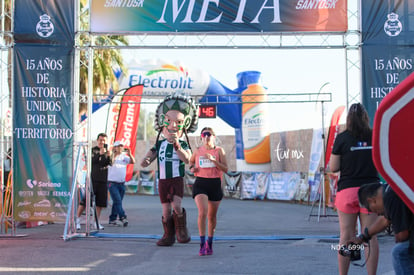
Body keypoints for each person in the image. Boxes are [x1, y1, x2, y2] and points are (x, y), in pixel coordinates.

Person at [141, 93, 198, 246]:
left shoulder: (183, 144)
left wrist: (177, 145)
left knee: (177, 205)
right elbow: (148, 158)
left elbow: (187, 159)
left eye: (178, 122)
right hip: (163, 181)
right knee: (166, 211)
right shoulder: (159, 144)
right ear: (162, 123)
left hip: (176, 179)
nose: (173, 126)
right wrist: (146, 160)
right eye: (169, 121)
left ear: (184, 124)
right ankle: (168, 235)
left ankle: (182, 229)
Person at [329, 103, 380, 275]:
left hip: (347, 192)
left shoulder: (342, 138)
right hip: (371, 192)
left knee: (345, 234)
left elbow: (334, 167)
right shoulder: (375, 135)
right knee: (369, 236)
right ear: (366, 117)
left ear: (348, 120)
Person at [352, 183, 414, 275]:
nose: (376, 214)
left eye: (371, 210)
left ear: (372, 201)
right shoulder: (390, 189)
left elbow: (402, 235)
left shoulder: (391, 197)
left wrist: (397, 233)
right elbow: (384, 220)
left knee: (399, 252)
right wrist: (363, 237)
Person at [189, 127, 228, 256]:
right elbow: (191, 163)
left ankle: (209, 244)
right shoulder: (198, 151)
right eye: (204, 135)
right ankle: (201, 244)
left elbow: (226, 169)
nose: (206, 137)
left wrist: (213, 160)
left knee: (212, 217)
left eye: (209, 134)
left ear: (214, 136)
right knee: (202, 212)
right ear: (201, 137)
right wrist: (192, 168)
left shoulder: (219, 151)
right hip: (201, 183)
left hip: (215, 184)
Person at [76, 133, 111, 230]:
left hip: (103, 180)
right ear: (97, 140)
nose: (102, 142)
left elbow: (110, 163)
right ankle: (77, 220)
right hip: (93, 179)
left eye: (104, 140)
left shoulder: (107, 151)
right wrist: (100, 154)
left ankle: (95, 222)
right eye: (100, 140)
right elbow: (91, 161)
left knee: (100, 203)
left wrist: (109, 156)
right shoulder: (93, 150)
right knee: (86, 200)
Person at [108, 140, 135, 227]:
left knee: (117, 202)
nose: (120, 148)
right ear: (115, 147)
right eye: (118, 146)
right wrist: (114, 154)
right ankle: (122, 217)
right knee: (118, 200)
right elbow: (110, 162)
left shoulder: (124, 157)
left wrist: (130, 154)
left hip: (121, 183)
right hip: (112, 183)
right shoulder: (110, 156)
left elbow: (133, 162)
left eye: (121, 146)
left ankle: (112, 218)